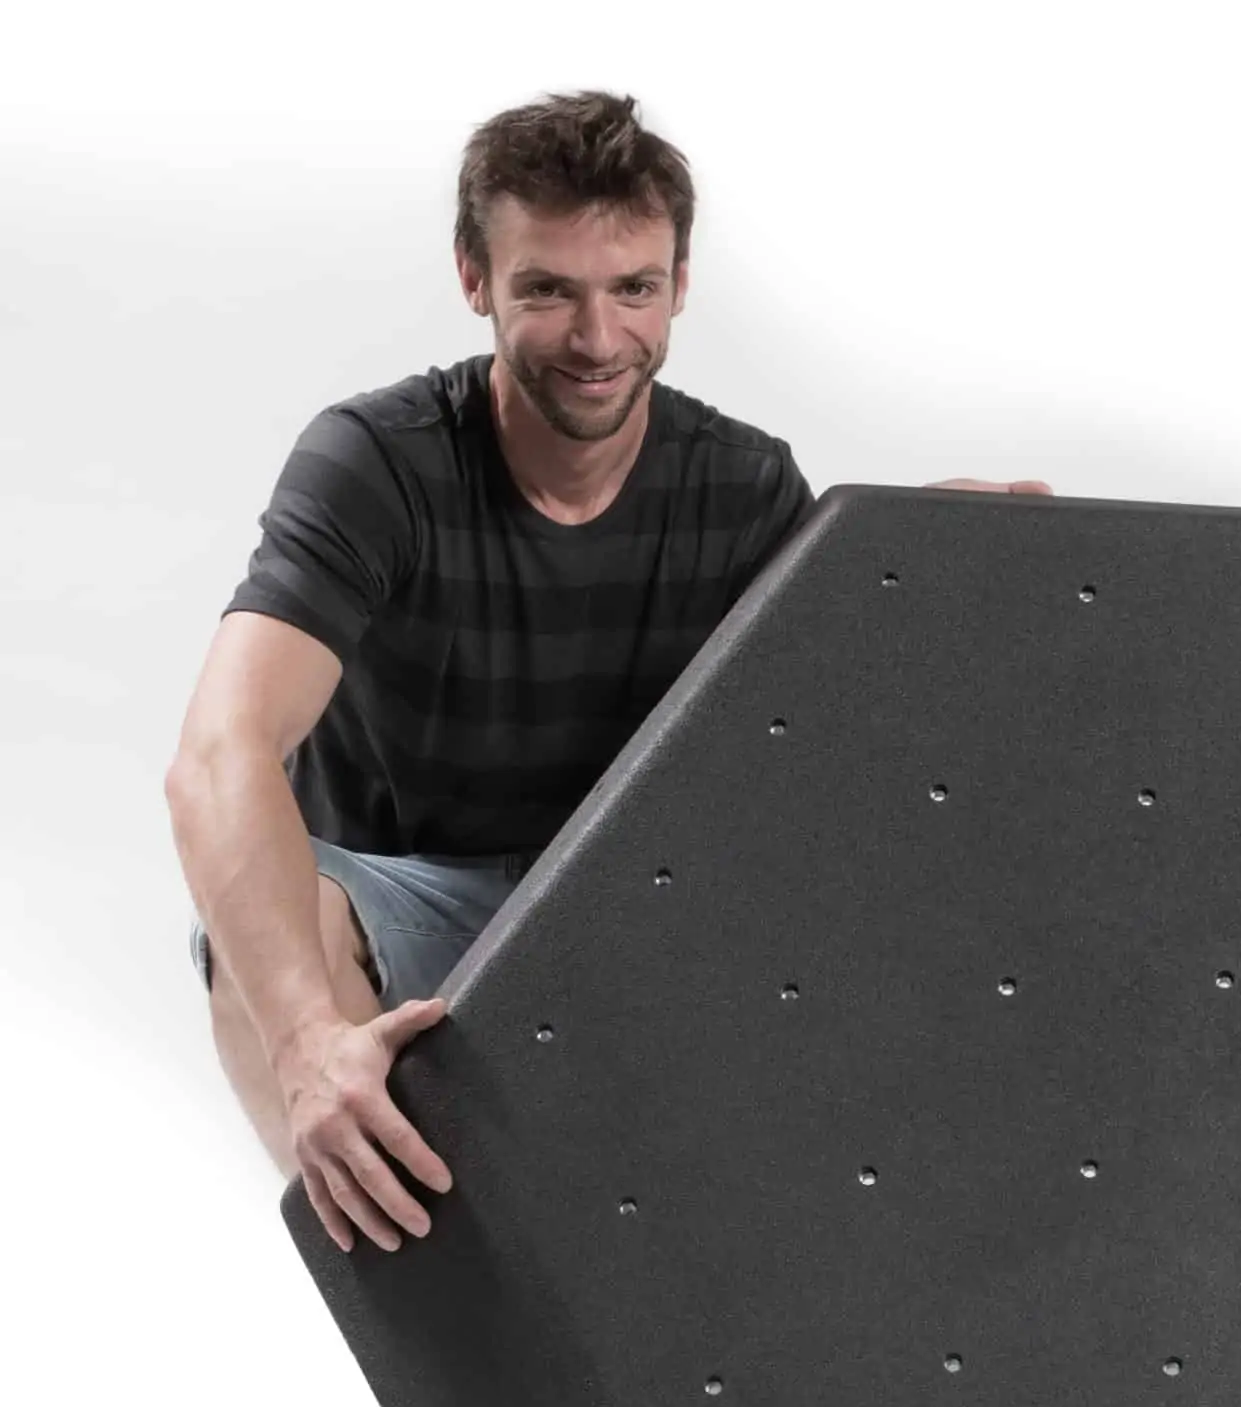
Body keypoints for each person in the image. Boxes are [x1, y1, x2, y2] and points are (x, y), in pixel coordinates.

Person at [166, 89, 1052, 1259]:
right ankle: (388, 1270)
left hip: (616, 896)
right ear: (476, 278)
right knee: (259, 940)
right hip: (404, 900)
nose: (596, 338)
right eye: (549, 290)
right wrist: (306, 1047)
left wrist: (893, 555)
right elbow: (219, 752)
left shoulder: (740, 486)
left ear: (678, 286)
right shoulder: (377, 465)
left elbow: (807, 707)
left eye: (632, 288)